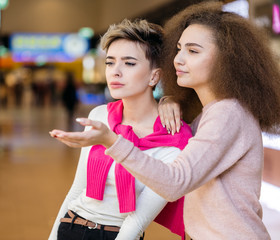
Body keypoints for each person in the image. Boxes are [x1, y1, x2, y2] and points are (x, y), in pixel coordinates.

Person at [49, 2, 280, 240]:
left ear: (226, 60)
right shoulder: (210, 113)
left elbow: (174, 181)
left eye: (193, 51)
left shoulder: (228, 113)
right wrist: (168, 100)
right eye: (178, 49)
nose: (177, 59)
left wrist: (111, 140)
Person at [49, 19, 193, 240]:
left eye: (129, 63)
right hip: (70, 227)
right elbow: (78, 189)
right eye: (110, 62)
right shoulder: (99, 116)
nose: (114, 72)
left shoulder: (173, 140)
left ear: (154, 76)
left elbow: (137, 221)